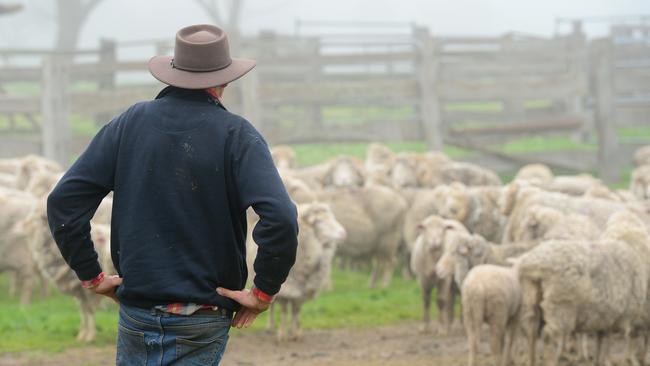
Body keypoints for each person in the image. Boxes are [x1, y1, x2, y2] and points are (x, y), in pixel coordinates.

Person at [46, 24, 299, 365]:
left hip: (138, 308)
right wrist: (263, 291)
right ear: (223, 81)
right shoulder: (236, 135)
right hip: (203, 313)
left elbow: (64, 201)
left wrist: (92, 276)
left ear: (173, 75)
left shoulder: (129, 124)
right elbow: (280, 217)